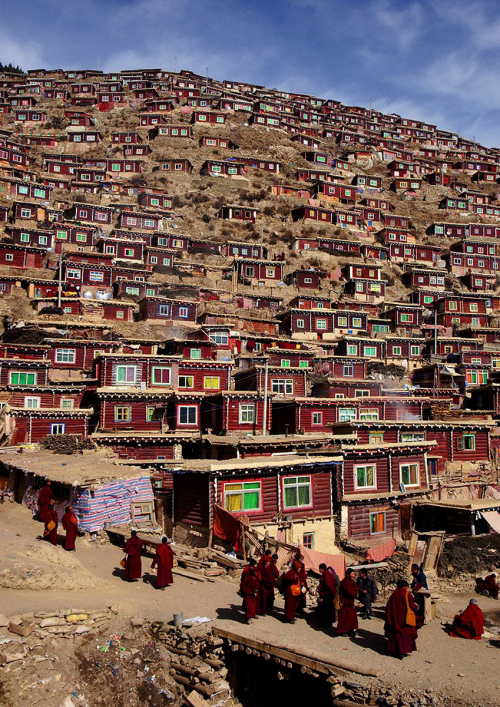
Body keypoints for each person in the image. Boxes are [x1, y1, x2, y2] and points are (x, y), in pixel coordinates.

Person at [384, 579, 419, 658]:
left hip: (395, 619)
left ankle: (397, 651)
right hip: (405, 620)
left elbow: (388, 607)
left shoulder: (393, 595)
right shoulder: (407, 594)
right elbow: (413, 606)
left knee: (397, 635)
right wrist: (417, 608)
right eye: (406, 587)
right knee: (405, 635)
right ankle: (403, 651)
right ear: (403, 587)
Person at [336, 568, 359, 637]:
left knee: (352, 616)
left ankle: (350, 630)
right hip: (345, 602)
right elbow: (349, 591)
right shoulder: (345, 581)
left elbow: (356, 588)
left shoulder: (351, 581)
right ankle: (343, 631)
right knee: (344, 617)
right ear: (348, 574)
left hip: (350, 602)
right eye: (352, 574)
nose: (354, 575)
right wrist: (354, 594)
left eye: (354, 574)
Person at [257, 551, 279, 615]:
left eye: (269, 562)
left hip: (270, 585)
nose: (268, 563)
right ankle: (263, 611)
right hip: (263, 585)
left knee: (270, 598)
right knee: (263, 598)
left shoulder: (271, 566)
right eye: (267, 562)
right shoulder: (261, 566)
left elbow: (276, 573)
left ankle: (268, 609)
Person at [240, 559, 261, 624]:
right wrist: (249, 591)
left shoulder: (255, 576)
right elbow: (243, 584)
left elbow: (257, 582)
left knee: (253, 605)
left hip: (253, 592)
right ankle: (248, 618)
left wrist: (256, 590)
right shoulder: (248, 575)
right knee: (249, 605)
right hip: (248, 592)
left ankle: (252, 614)